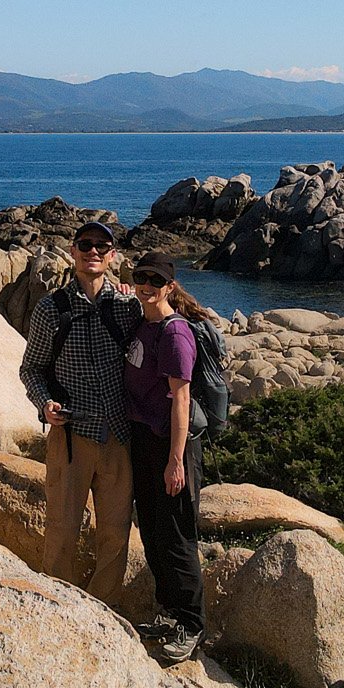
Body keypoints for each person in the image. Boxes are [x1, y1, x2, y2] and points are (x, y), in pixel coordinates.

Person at [18, 218, 141, 605]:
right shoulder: (50, 309)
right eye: (85, 244)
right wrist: (44, 404)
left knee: (115, 533)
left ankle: (103, 608)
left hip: (119, 437)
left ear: (112, 256)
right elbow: (31, 369)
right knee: (61, 531)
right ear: (72, 252)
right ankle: (57, 606)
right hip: (72, 437)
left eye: (101, 248)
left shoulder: (126, 306)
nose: (93, 252)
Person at [123, 249, 208, 663]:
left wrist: (175, 460)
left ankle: (192, 625)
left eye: (156, 281)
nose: (147, 286)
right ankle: (169, 613)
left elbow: (182, 401)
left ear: (170, 287)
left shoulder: (175, 334)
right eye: (142, 278)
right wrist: (130, 292)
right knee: (154, 534)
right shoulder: (145, 320)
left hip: (169, 444)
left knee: (176, 538)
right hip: (143, 439)